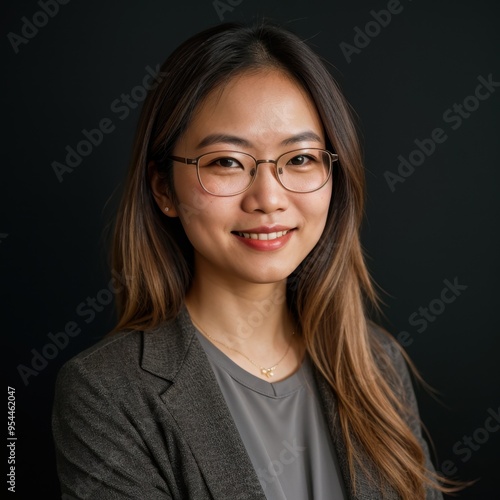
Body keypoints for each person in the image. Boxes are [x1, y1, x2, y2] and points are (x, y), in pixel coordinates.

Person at [52, 21, 459, 499]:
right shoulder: (105, 392)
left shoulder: (377, 364)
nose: (269, 198)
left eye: (300, 159)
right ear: (163, 187)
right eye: (227, 161)